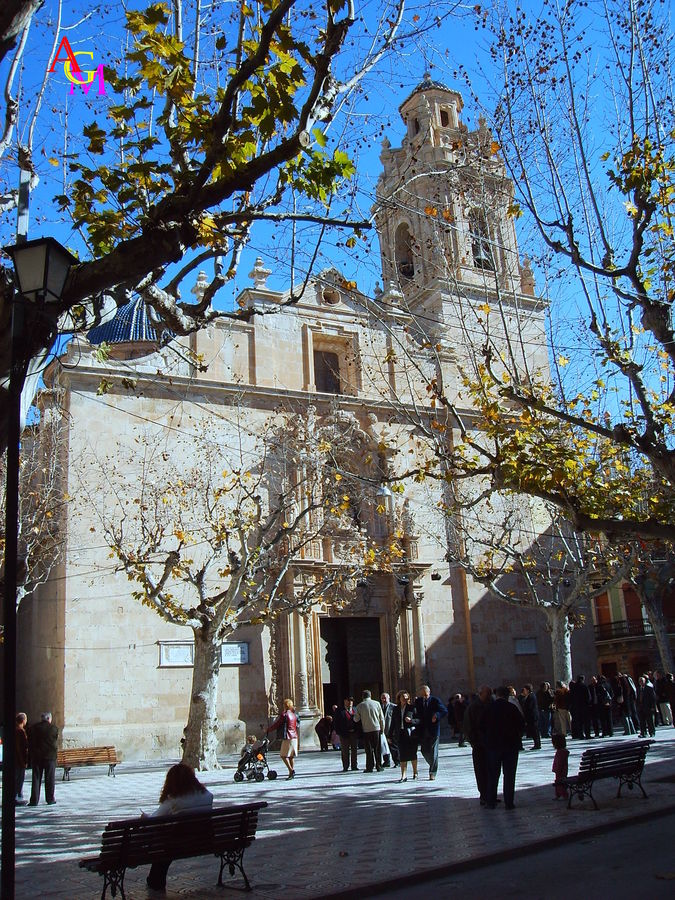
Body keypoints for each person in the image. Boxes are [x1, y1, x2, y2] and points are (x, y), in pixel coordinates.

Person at [144, 763, 213, 891]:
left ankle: (156, 881)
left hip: (177, 844)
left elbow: (154, 820)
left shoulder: (174, 801)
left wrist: (145, 817)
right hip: (203, 841)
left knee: (161, 841)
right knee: (168, 842)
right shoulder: (208, 796)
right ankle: (155, 880)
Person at [484, 686, 525, 810]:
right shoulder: (512, 708)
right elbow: (521, 725)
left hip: (493, 746)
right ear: (507, 696)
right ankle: (509, 802)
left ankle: (491, 802)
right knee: (509, 775)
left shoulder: (489, 708)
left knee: (493, 775)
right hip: (510, 746)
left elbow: (481, 725)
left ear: (497, 695)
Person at [463, 686, 492, 805]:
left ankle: (490, 794)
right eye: (487, 693)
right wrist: (474, 741)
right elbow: (468, 726)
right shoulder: (474, 707)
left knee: (491, 770)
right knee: (481, 771)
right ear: (481, 694)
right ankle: (484, 795)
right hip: (479, 744)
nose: (489, 696)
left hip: (490, 744)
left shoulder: (491, 704)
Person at [414, 685, 447, 780]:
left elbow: (444, 710)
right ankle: (433, 764)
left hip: (433, 730)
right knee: (424, 751)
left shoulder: (435, 700)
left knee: (434, 752)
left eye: (426, 694)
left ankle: (432, 772)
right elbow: (415, 712)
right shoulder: (418, 701)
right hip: (423, 730)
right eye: (423, 695)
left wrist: (436, 715)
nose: (424, 696)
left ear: (429, 692)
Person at [389, 690, 420, 782]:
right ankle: (403, 775)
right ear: (399, 699)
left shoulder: (412, 707)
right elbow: (393, 723)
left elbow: (419, 720)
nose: (405, 700)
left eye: (407, 698)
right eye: (403, 698)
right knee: (402, 754)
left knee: (412, 753)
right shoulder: (396, 709)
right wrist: (389, 735)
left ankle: (415, 772)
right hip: (400, 734)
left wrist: (411, 721)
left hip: (411, 734)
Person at [28, 712, 58, 806]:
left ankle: (34, 800)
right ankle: (50, 799)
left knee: (36, 778)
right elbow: (55, 739)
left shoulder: (33, 728)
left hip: (37, 756)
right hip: (50, 756)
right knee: (49, 778)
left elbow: (30, 740)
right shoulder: (53, 728)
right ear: (49, 719)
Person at [267, 698, 299, 779]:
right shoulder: (294, 715)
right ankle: (290, 773)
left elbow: (277, 724)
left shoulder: (284, 714)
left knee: (283, 755)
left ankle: (291, 770)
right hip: (294, 736)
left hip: (288, 737)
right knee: (291, 756)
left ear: (285, 705)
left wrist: (268, 730)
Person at [354, 690, 385, 773]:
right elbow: (381, 718)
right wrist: (382, 729)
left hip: (366, 730)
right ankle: (379, 766)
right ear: (370, 695)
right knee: (377, 749)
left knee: (369, 749)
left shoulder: (360, 706)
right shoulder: (377, 703)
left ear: (362, 696)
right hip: (376, 729)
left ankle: (369, 767)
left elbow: (356, 719)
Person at [333, 697, 359, 772]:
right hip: (344, 734)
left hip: (354, 733)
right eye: (348, 701)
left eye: (351, 701)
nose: (350, 702)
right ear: (345, 701)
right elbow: (336, 722)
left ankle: (354, 766)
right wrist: (339, 732)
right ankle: (345, 766)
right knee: (345, 751)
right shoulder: (339, 710)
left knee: (354, 750)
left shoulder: (355, 709)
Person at [520, 684, 541, 750]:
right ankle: (537, 744)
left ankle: (537, 744)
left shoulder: (531, 696)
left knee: (535, 731)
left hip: (532, 716)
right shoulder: (529, 696)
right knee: (534, 731)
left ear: (528, 690)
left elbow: (529, 707)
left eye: (525, 690)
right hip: (532, 716)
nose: (524, 691)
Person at [15, 713, 29, 805]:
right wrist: (23, 761)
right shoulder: (20, 731)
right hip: (19, 760)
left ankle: (18, 795)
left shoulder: (16, 730)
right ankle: (17, 797)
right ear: (23, 720)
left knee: (18, 778)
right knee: (19, 778)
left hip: (16, 759)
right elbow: (20, 747)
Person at [380, 693, 397, 766]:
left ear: (389, 698)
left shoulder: (394, 707)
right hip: (382, 730)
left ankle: (397, 761)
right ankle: (386, 761)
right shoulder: (379, 707)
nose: (384, 700)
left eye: (385, 698)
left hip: (391, 730)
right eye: (382, 698)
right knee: (384, 747)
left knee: (393, 747)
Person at [551, 734, 569, 800]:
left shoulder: (560, 753)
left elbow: (559, 763)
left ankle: (563, 794)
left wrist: (556, 769)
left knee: (559, 783)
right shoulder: (563, 752)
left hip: (560, 771)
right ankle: (559, 794)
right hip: (563, 771)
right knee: (560, 783)